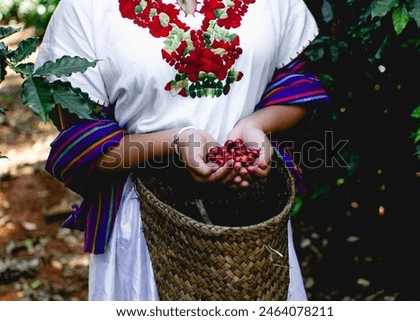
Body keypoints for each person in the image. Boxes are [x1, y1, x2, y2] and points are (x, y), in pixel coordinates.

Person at [35, 0, 330, 300]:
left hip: (254, 223)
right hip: (148, 230)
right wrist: (175, 142)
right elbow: (80, 147)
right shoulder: (85, 9)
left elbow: (297, 86)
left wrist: (254, 126)